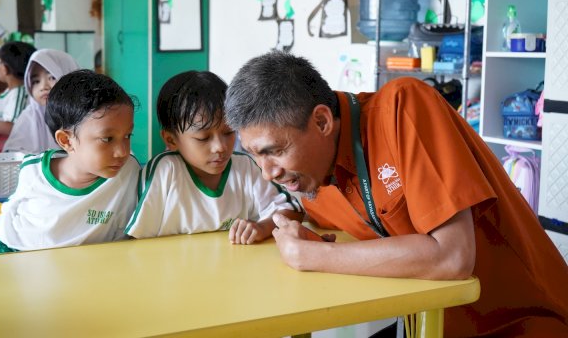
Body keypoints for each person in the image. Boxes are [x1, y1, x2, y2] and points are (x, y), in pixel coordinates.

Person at [224, 51, 568, 336]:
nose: (267, 172)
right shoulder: (313, 178)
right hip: (426, 325)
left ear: (323, 122)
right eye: (254, 154)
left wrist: (309, 257)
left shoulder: (403, 107)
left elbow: (453, 258)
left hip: (522, 323)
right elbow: (306, 214)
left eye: (275, 151)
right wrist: (272, 223)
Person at [0, 70, 141, 257]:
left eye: (128, 136)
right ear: (66, 141)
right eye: (107, 139)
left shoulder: (129, 171)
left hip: (64, 266)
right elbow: (10, 213)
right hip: (10, 249)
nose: (122, 151)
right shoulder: (34, 172)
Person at [125, 70, 303, 244]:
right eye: (203, 138)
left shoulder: (245, 166)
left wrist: (262, 228)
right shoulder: (164, 172)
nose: (221, 147)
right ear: (171, 140)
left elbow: (291, 211)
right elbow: (139, 241)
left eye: (228, 132)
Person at [3, 49, 79, 154]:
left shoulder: (84, 114)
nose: (43, 87)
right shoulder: (30, 115)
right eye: (36, 81)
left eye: (52, 77)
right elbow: (13, 154)